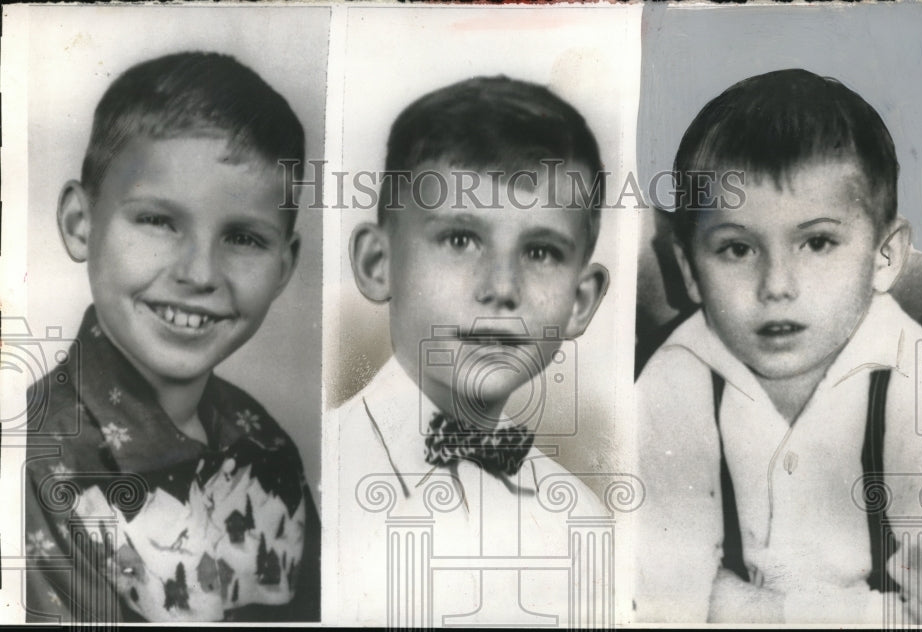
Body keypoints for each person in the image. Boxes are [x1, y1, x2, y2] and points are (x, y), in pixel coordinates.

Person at [634, 69, 922, 624]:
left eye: (817, 242)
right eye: (737, 249)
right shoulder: (677, 377)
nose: (777, 284)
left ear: (884, 257)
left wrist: (744, 607)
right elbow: (663, 597)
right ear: (689, 272)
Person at [23, 52, 320, 622]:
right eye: (158, 221)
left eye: (244, 238)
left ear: (285, 266)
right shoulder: (37, 467)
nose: (200, 274)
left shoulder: (267, 447)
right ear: (79, 223)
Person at [336, 76, 612, 626]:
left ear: (580, 302)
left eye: (541, 250)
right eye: (460, 240)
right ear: (376, 263)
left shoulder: (584, 519)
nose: (501, 287)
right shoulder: (323, 481)